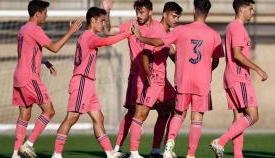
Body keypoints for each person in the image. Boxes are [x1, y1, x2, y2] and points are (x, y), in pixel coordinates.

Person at [132, 0, 224, 157]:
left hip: (183, 81)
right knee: (197, 118)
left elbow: (160, 42)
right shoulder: (214, 35)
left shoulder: (181, 30)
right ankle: (190, 155)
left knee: (178, 114)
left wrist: (140, 37)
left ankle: (167, 147)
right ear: (207, 14)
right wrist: (206, 70)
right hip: (201, 82)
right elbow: (216, 60)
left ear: (195, 11)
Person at [51, 6, 132, 158]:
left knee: (98, 118)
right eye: (101, 21)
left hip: (88, 84)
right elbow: (107, 42)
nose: (103, 24)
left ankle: (109, 153)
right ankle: (56, 154)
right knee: (72, 118)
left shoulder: (86, 37)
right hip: (82, 82)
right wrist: (128, 33)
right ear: (93, 21)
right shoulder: (89, 37)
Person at [102, 0, 177, 157]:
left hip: (159, 79)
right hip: (138, 76)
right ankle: (118, 148)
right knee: (133, 112)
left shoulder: (159, 27)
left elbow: (168, 49)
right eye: (137, 12)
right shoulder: (131, 26)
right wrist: (107, 11)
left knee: (167, 112)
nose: (138, 15)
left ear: (150, 11)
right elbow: (108, 31)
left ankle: (157, 149)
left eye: (141, 12)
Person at [12, 1, 82, 158]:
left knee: (24, 115)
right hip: (30, 77)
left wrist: (44, 62)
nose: (47, 15)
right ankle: (28, 144)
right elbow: (55, 48)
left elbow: (26, 52)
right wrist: (71, 31)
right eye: (45, 12)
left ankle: (15, 154)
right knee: (49, 111)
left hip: (18, 76)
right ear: (37, 14)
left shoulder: (23, 29)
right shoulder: (35, 29)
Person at [210, 0, 268, 158]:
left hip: (230, 76)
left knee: (239, 118)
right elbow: (237, 53)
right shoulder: (237, 27)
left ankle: (237, 155)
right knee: (253, 116)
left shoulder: (231, 26)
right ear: (242, 8)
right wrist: (258, 69)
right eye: (250, 8)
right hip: (239, 77)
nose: (252, 12)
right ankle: (220, 142)